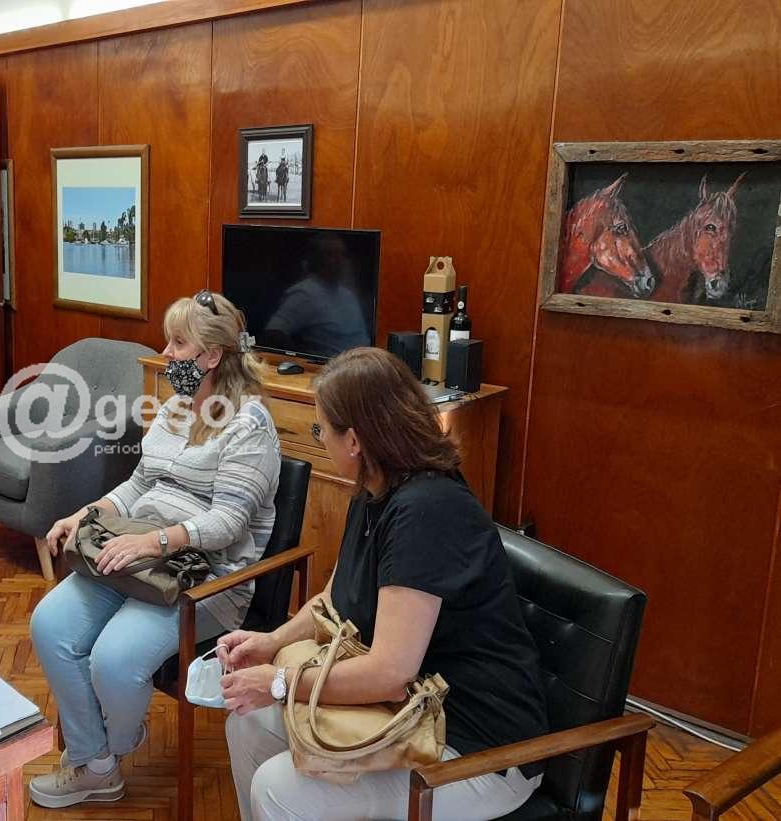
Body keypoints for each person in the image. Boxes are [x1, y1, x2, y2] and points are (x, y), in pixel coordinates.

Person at [221, 347, 548, 821]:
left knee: (278, 789)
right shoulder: (374, 491)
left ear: (354, 441)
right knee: (247, 722)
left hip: (476, 746)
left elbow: (389, 673)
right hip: (408, 710)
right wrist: (271, 643)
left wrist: (277, 681)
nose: (321, 439)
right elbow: (332, 600)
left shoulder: (426, 512)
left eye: (321, 429)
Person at [28, 290, 282, 809]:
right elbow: (140, 484)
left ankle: (108, 750)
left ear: (212, 356)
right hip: (138, 561)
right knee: (49, 625)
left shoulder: (250, 425)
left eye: (178, 343)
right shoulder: (173, 408)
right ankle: (97, 762)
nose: (165, 354)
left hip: (204, 577)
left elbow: (228, 523)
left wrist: (153, 540)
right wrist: (87, 514)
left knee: (114, 660)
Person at [263, 233, 372, 356]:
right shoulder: (304, 293)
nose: (339, 260)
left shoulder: (347, 295)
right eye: (331, 254)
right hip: (334, 366)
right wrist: (301, 356)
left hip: (365, 362)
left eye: (342, 254)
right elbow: (273, 333)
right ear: (317, 259)